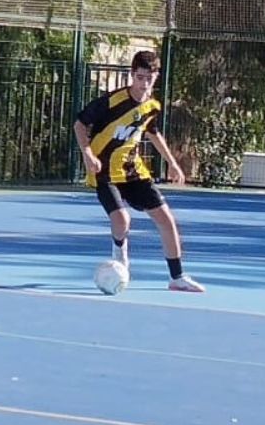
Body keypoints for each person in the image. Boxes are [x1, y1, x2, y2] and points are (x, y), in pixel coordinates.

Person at [72, 49, 204, 293]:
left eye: (149, 78)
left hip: (133, 170)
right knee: (123, 219)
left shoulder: (152, 105)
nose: (144, 84)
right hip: (103, 170)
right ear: (132, 76)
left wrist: (172, 163)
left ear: (156, 77)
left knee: (166, 219)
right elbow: (79, 124)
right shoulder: (112, 102)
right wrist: (87, 154)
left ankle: (177, 277)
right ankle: (120, 253)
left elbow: (152, 133)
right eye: (140, 77)